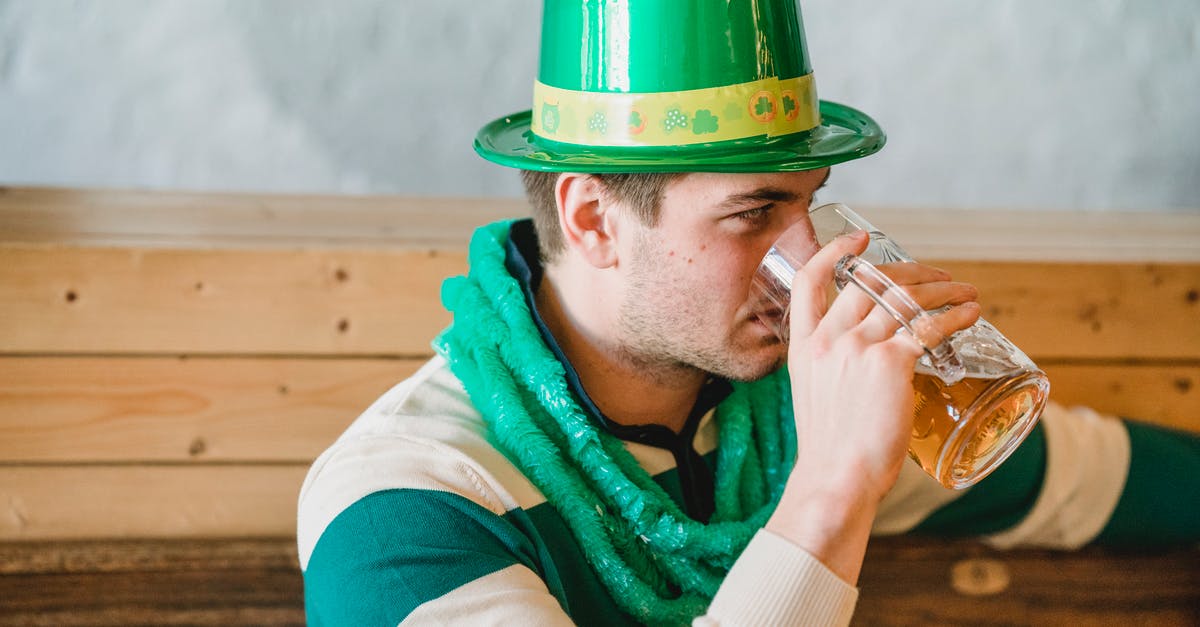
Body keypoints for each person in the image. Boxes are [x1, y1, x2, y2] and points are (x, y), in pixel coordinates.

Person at [297, 1, 1199, 625]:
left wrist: (848, 459)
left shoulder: (767, 413)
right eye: (754, 213)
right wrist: (834, 488)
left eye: (813, 203)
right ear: (592, 219)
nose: (809, 260)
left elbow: (1078, 479)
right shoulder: (404, 509)